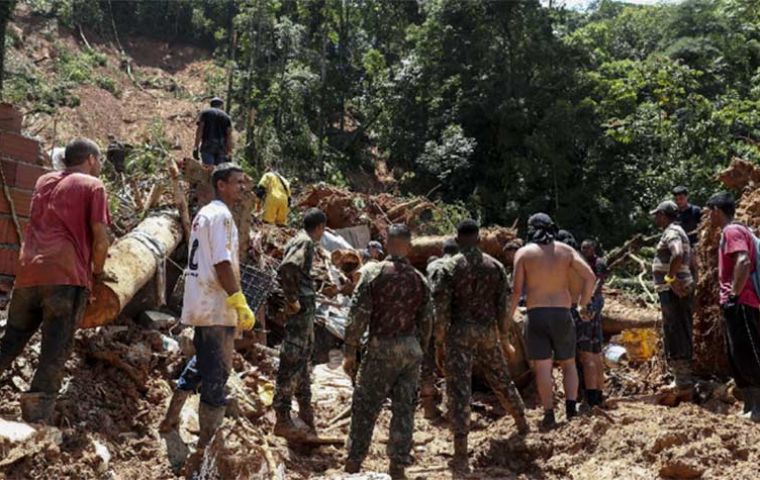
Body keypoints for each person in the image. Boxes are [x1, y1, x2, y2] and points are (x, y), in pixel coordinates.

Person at [0, 138, 110, 423]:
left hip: (29, 272)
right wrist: (97, 273)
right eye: (98, 161)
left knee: (11, 339)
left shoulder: (43, 181)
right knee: (56, 346)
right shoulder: (92, 185)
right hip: (65, 275)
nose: (98, 167)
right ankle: (37, 416)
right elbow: (100, 238)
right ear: (90, 159)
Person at [159, 163, 255, 467]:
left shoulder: (204, 214)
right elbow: (223, 263)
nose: (242, 187)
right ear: (221, 185)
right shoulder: (223, 216)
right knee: (217, 376)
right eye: (237, 182)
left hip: (200, 302)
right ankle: (206, 447)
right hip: (216, 306)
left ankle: (170, 419)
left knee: (202, 361)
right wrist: (238, 300)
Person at [435, 220, 528, 472]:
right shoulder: (495, 266)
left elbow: (441, 310)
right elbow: (503, 308)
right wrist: (505, 337)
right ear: (478, 239)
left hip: (459, 333)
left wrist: (440, 340)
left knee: (458, 387)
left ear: (457, 239)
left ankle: (461, 450)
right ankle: (521, 422)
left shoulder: (448, 267)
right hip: (487, 331)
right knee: (501, 379)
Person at [342, 224, 432, 479]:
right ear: (409, 246)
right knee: (404, 409)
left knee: (366, 405)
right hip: (410, 351)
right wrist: (420, 350)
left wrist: (350, 350)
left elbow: (358, 314)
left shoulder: (373, 273)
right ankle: (398, 466)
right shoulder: (419, 279)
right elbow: (427, 322)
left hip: (382, 349)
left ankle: (354, 460)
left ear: (387, 243)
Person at [509, 213, 596, 429]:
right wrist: (582, 304)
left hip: (536, 313)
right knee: (568, 364)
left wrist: (508, 316)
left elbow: (516, 290)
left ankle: (549, 413)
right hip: (562, 312)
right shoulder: (566, 251)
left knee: (543, 367)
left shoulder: (524, 253)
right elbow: (590, 277)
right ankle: (570, 409)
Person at [273, 208, 327, 439]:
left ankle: (305, 412)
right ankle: (282, 418)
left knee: (303, 362)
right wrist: (293, 300)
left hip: (304, 315)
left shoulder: (300, 240)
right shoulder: (305, 242)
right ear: (320, 227)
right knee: (292, 361)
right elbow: (288, 267)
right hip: (300, 313)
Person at [706, 192, 760, 421]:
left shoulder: (732, 231)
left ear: (717, 210)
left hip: (743, 302)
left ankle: (758, 410)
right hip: (737, 302)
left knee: (749, 354)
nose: (708, 216)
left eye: (709, 211)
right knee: (737, 355)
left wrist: (734, 296)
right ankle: (750, 408)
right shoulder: (734, 231)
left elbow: (743, 261)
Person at [650, 200, 694, 391]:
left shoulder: (672, 232)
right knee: (678, 329)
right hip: (675, 289)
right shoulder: (678, 231)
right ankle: (682, 377)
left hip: (673, 291)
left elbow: (677, 254)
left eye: (657, 214)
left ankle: (683, 379)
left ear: (663, 215)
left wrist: (670, 278)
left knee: (675, 331)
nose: (655, 218)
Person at [420, 238, 459, 419]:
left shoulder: (432, 266)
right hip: (452, 320)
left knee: (428, 363)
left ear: (443, 251)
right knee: (453, 363)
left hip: (429, 319)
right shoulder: (460, 264)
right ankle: (453, 408)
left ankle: (428, 408)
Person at [578, 239, 608, 408]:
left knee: (589, 350)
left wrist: (588, 299)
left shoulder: (599, 262)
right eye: (583, 248)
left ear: (593, 248)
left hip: (593, 301)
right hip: (589, 300)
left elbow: (599, 282)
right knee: (595, 351)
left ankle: (595, 395)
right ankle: (597, 393)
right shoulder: (582, 262)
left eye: (587, 247)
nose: (585, 250)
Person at [193, 97, 233, 166]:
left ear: (211, 105)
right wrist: (229, 152)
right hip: (221, 148)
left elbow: (200, 131)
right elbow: (229, 136)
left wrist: (196, 147)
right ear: (221, 105)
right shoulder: (226, 117)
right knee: (220, 171)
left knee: (208, 170)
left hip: (207, 146)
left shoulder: (205, 113)